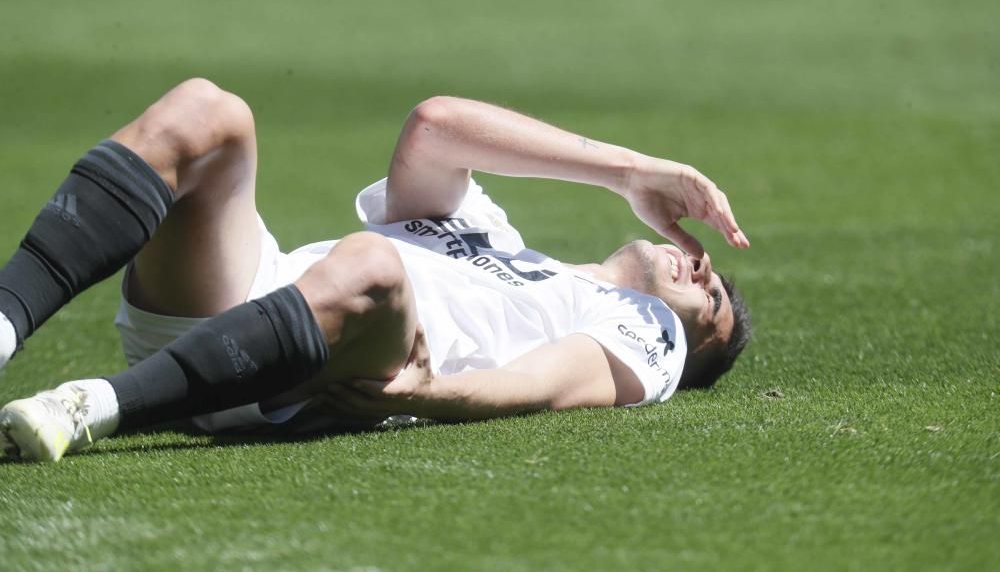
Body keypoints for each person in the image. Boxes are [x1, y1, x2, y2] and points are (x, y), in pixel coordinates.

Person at [0, 79, 751, 463]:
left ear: (686, 348)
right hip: (245, 303)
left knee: (375, 262)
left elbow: (555, 382)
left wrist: (431, 394)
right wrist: (628, 171)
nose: (704, 270)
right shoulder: (502, 240)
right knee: (209, 111)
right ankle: (4, 320)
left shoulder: (646, 330)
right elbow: (434, 125)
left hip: (321, 368)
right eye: (713, 274)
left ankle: (90, 406)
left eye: (711, 300)